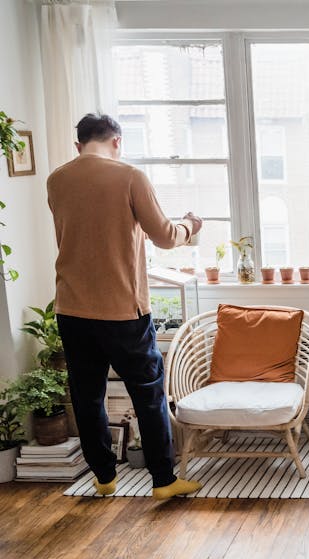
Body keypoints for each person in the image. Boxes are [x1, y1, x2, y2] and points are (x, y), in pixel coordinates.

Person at [47, 113, 204, 500]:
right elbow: (164, 236)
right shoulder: (129, 176)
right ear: (117, 142)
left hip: (71, 309)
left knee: (87, 395)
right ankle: (163, 481)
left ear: (78, 144)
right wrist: (189, 226)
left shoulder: (57, 180)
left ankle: (103, 477)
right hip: (122, 310)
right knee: (147, 393)